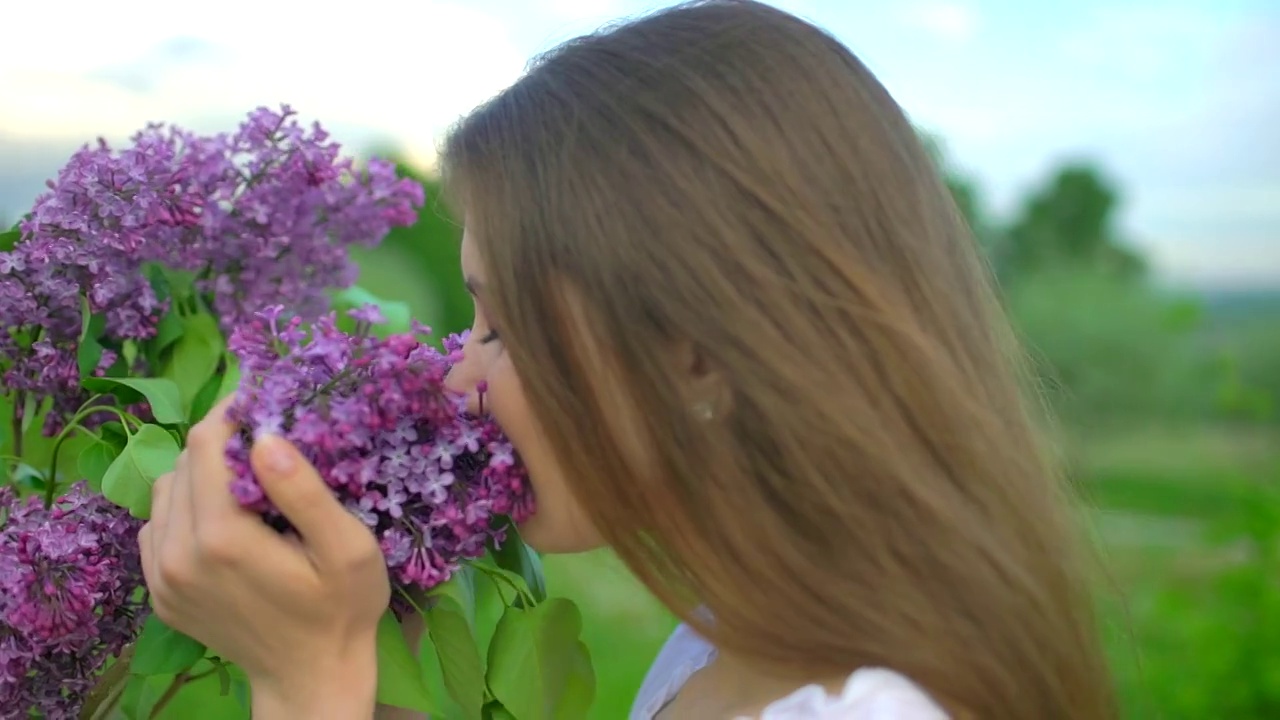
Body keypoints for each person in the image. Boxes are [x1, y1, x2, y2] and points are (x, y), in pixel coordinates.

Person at [137, 1, 1119, 717]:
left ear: (694, 358)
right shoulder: (739, 632)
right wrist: (349, 663)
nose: (454, 380)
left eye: (501, 329)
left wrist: (302, 689)